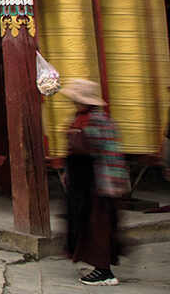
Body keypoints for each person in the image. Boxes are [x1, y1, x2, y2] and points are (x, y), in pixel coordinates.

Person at [62, 78, 127, 286]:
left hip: (101, 182)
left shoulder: (97, 120)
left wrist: (75, 137)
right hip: (89, 183)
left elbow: (94, 149)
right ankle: (98, 265)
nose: (74, 103)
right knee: (89, 225)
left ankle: (104, 271)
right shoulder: (85, 118)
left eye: (76, 100)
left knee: (99, 227)